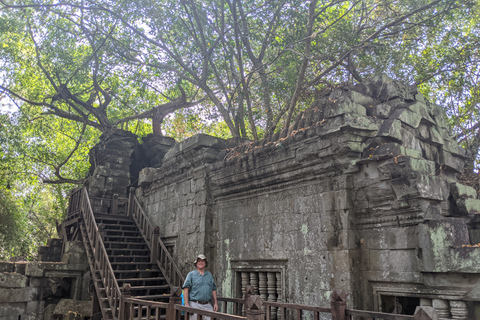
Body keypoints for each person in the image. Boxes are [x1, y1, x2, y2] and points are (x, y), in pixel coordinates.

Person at [182, 254, 218, 320]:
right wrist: (187, 304)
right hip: (195, 303)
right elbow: (186, 289)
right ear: (196, 263)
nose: (200, 262)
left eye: (202, 261)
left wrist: (215, 303)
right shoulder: (191, 274)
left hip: (207, 304)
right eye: (199, 261)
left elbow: (213, 289)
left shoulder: (209, 275)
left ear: (205, 263)